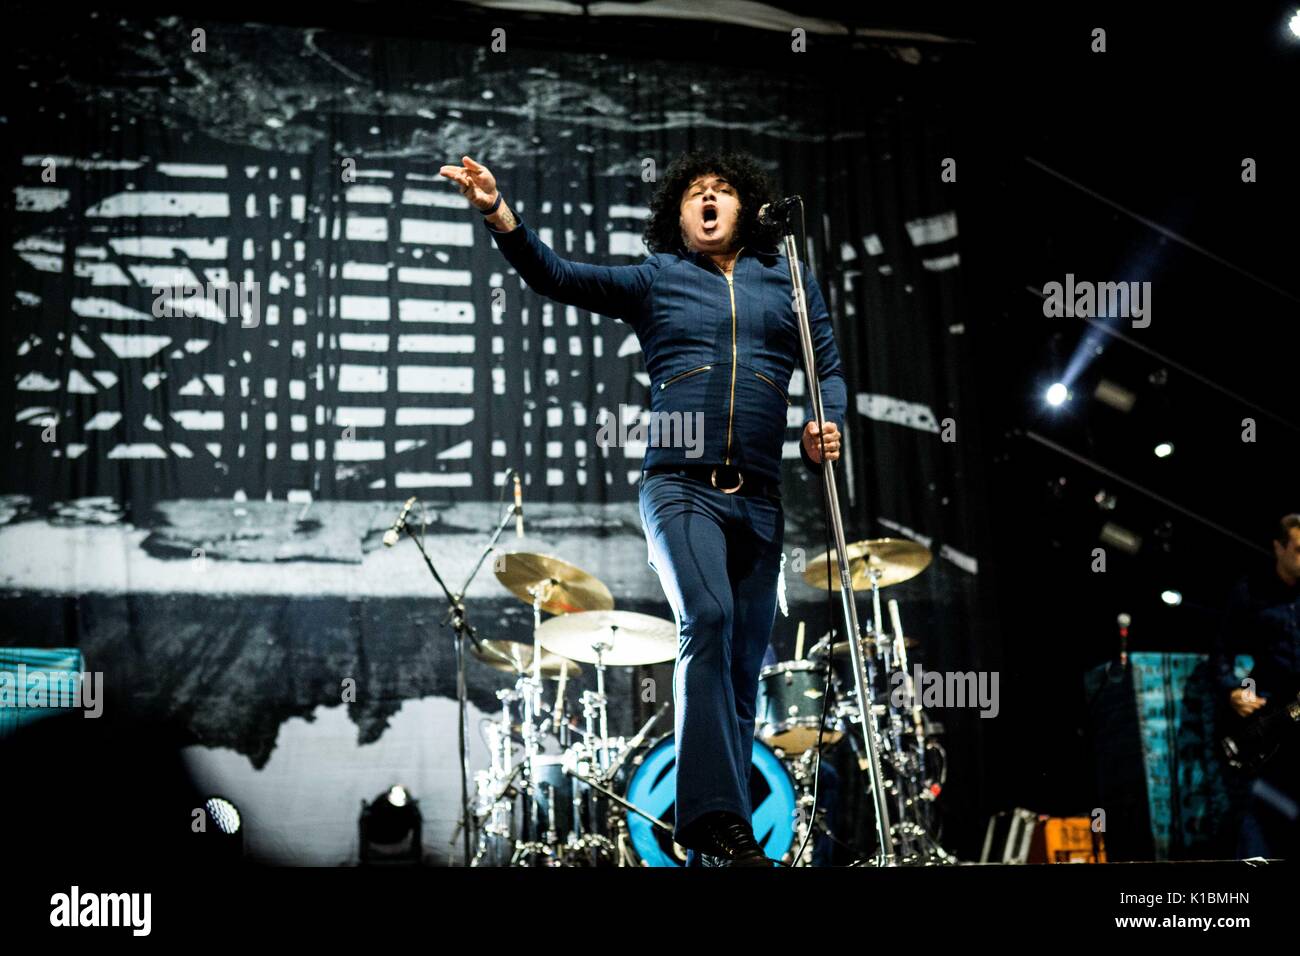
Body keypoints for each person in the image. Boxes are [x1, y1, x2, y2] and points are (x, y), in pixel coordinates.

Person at [441, 151, 847, 866]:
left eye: (723, 191)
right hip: (679, 486)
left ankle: (721, 846)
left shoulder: (787, 280)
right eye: (697, 194)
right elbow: (555, 275)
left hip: (759, 498)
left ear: (746, 209)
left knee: (744, 667)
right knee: (709, 619)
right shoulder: (660, 278)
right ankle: (709, 815)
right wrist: (497, 211)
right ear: (680, 216)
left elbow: (828, 368)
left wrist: (825, 425)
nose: (711, 200)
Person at [1211, 513, 1300, 858]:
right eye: (1298, 549)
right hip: (1270, 717)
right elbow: (1220, 653)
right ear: (1279, 548)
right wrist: (1233, 690)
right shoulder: (1250, 591)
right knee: (1257, 814)